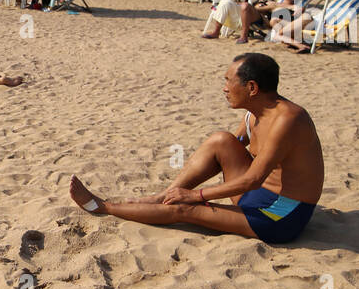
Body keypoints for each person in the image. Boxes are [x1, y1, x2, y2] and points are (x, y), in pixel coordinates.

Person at [69, 53, 323, 244]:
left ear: (252, 88)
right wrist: (183, 188)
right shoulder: (254, 112)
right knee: (221, 140)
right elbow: (229, 149)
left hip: (280, 215)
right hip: (254, 196)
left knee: (186, 208)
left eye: (228, 81)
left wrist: (197, 195)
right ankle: (163, 196)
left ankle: (102, 207)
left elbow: (253, 180)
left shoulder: (287, 120)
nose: (224, 88)